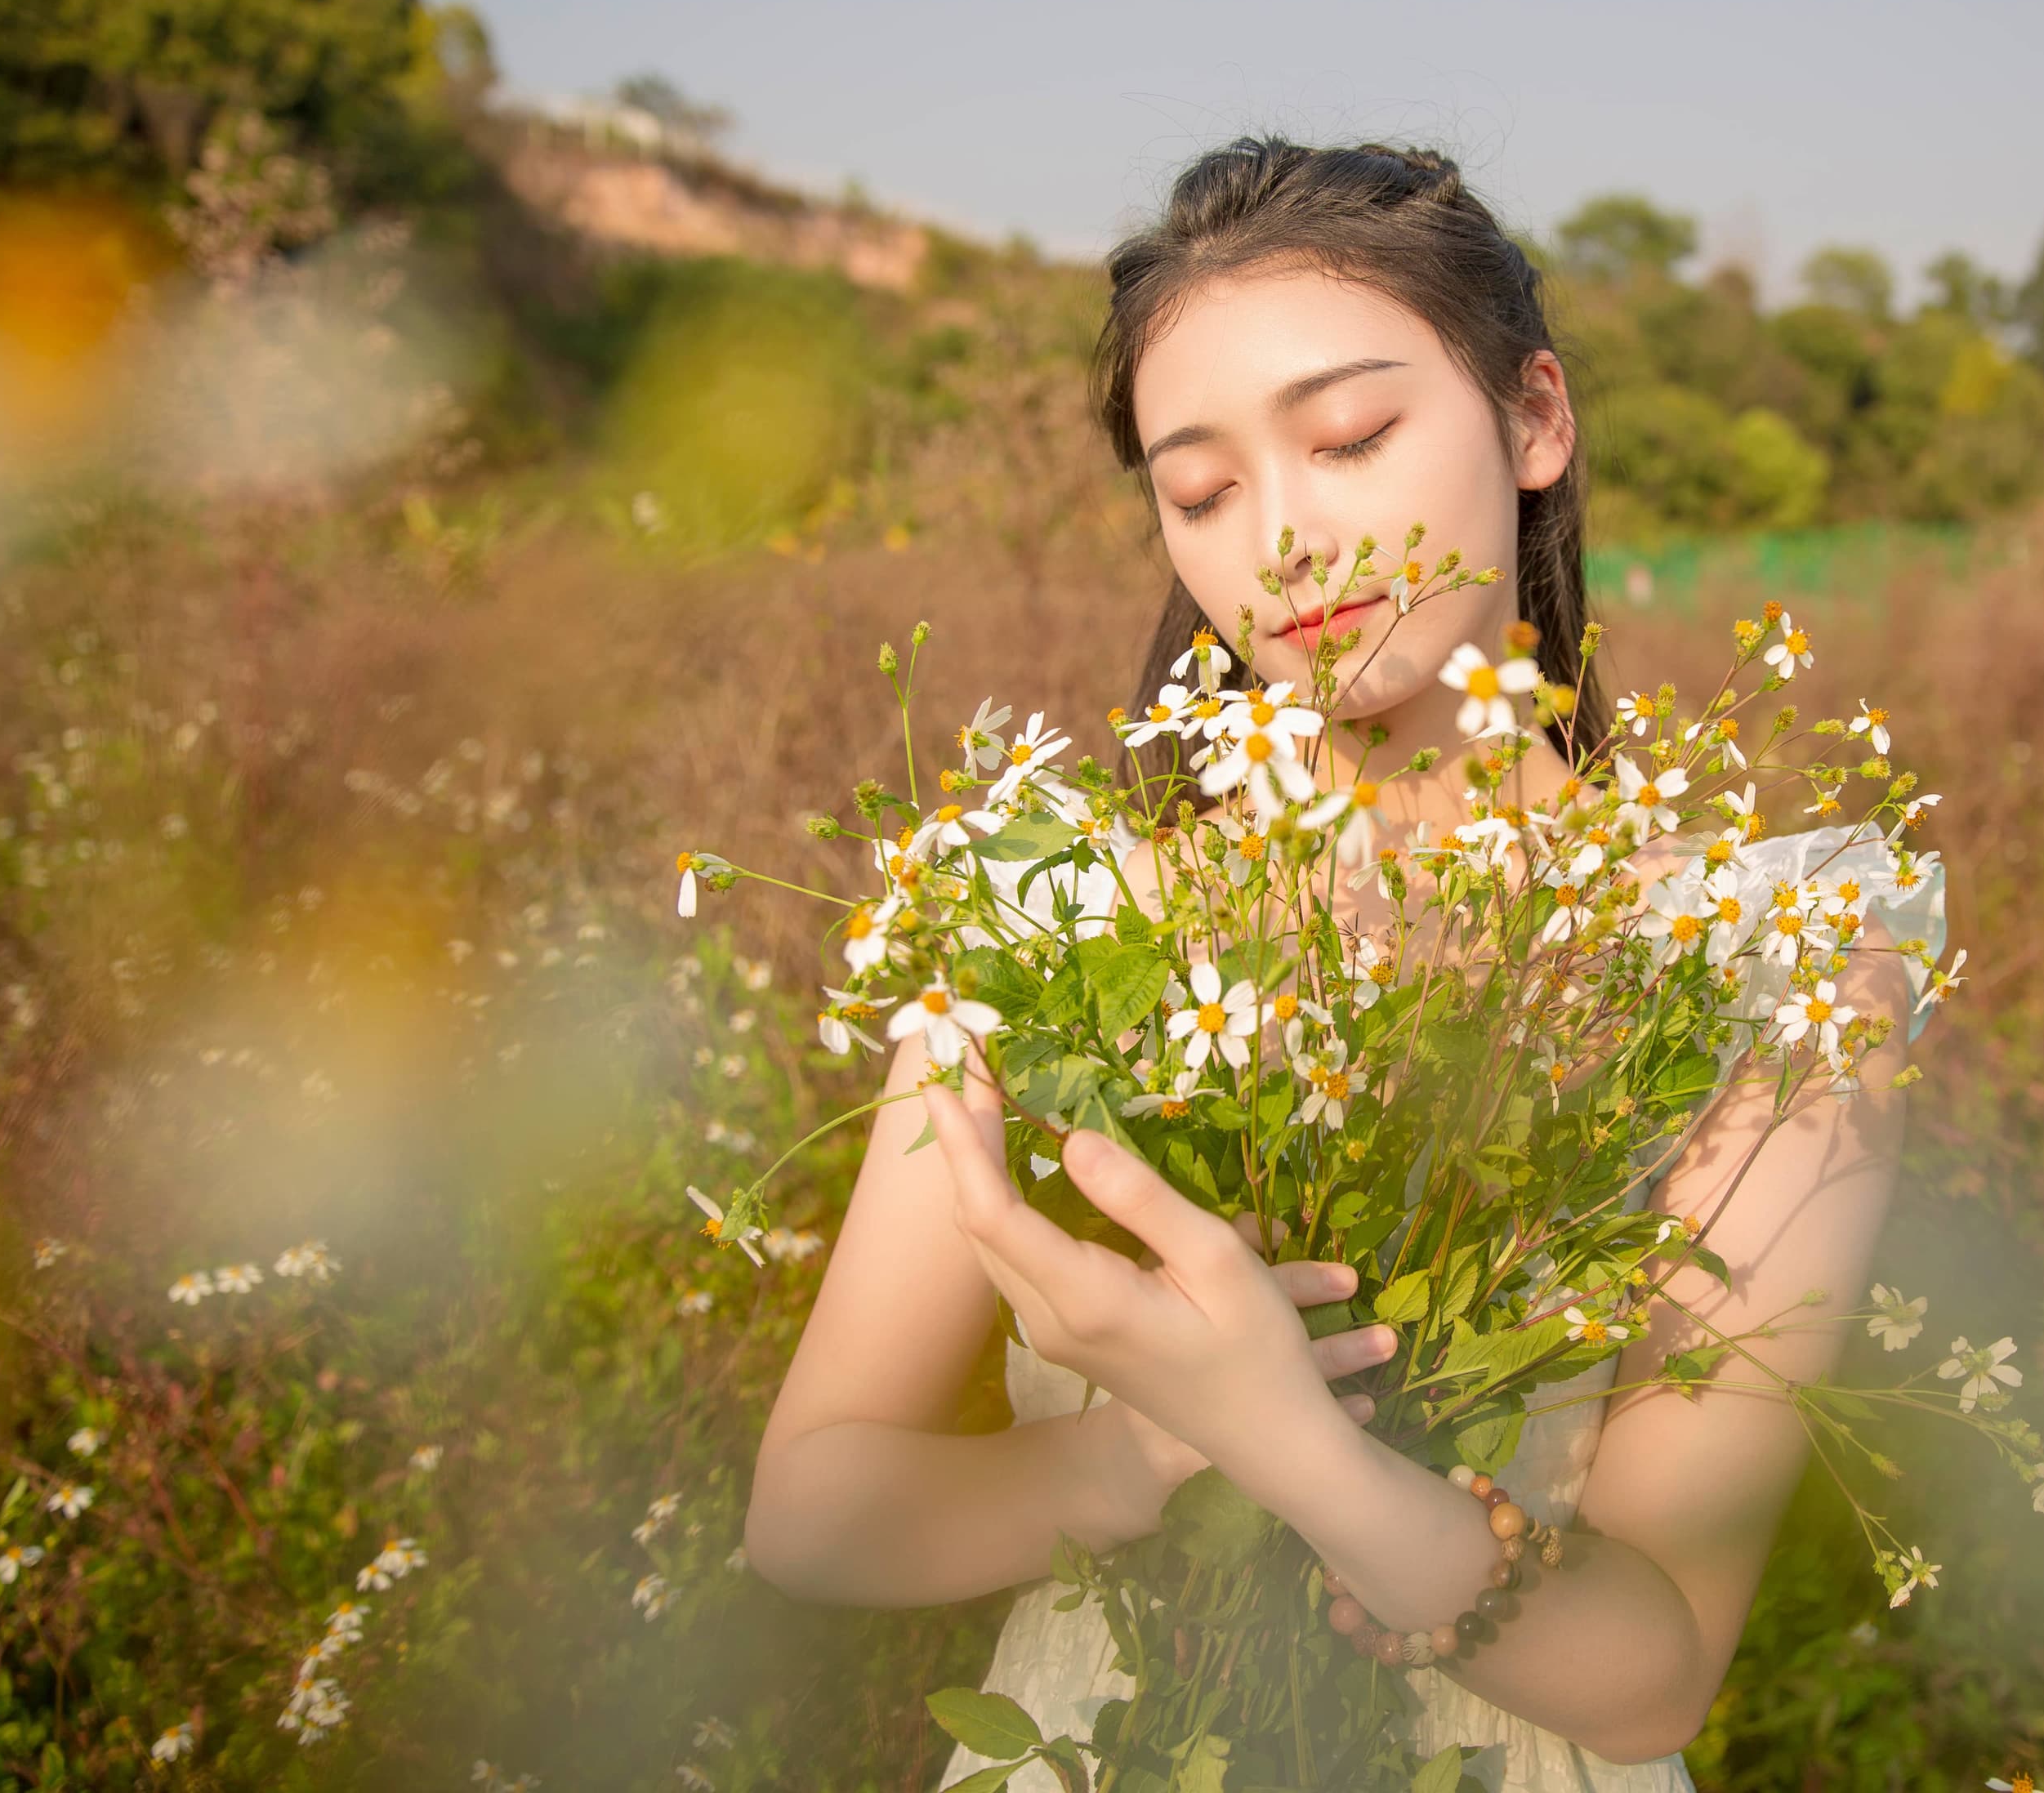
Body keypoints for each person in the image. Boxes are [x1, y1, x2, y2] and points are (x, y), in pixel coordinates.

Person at [743, 139, 1939, 1790]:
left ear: (1534, 418)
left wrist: (1295, 1446)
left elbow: (1657, 1663)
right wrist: (1131, 1450)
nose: (1283, 541)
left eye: (1353, 436)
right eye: (1203, 489)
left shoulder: (1772, 962)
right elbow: (811, 1509)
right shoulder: (1058, 906)